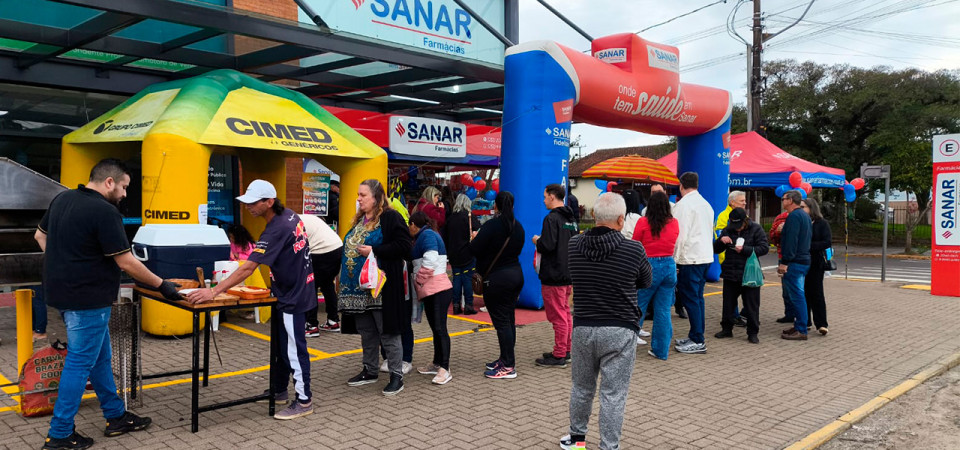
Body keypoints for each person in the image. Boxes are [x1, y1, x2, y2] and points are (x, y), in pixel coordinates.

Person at [35, 158, 173, 449]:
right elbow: (125, 261)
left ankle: (116, 415)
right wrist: (162, 285)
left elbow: (40, 235)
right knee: (80, 362)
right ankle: (59, 434)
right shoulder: (104, 211)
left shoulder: (63, 199)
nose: (124, 194)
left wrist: (65, 263)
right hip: (88, 298)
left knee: (100, 357)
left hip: (63, 294)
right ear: (109, 182)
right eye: (124, 187)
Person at [187, 180, 316, 420]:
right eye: (246, 201)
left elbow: (247, 268)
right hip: (291, 289)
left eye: (253, 202)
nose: (248, 206)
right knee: (281, 347)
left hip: (293, 295)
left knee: (294, 349)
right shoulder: (289, 215)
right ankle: (279, 390)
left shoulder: (276, 228)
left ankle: (304, 400)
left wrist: (213, 292)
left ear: (269, 202)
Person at [559, 192, 652, 450]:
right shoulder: (633, 249)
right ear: (621, 220)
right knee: (613, 394)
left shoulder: (574, 245)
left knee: (581, 387)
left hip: (584, 326)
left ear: (594, 217)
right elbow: (645, 281)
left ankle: (577, 441)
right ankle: (608, 447)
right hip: (620, 329)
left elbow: (572, 273)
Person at [337, 179, 413, 395]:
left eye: (363, 195)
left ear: (377, 197)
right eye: (358, 195)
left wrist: (374, 250)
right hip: (358, 291)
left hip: (381, 289)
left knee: (387, 332)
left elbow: (404, 246)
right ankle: (370, 370)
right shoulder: (361, 220)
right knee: (367, 332)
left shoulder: (390, 217)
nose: (358, 199)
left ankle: (396, 376)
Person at [470, 191, 525, 379]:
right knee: (508, 319)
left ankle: (509, 365)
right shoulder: (518, 227)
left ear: (495, 206)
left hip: (497, 279)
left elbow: (474, 249)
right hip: (515, 275)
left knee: (502, 323)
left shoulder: (492, 226)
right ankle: (505, 358)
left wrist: (474, 239)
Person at [533, 184, 578, 368]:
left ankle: (559, 354)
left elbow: (548, 245)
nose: (543, 200)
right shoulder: (571, 219)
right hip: (568, 273)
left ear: (552, 196)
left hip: (553, 274)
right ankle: (565, 349)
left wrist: (537, 241)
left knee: (558, 316)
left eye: (545, 196)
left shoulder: (551, 219)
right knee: (565, 313)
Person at [408, 211, 454, 385]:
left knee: (440, 328)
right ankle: (437, 363)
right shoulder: (428, 234)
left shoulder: (426, 235)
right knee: (436, 328)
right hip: (433, 290)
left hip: (438, 290)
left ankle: (445, 368)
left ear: (413, 224)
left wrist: (418, 281)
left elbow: (430, 260)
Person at [632, 191, 679, 360]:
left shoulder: (643, 222)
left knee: (638, 307)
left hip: (647, 265)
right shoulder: (674, 223)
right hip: (668, 265)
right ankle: (661, 350)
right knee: (663, 310)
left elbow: (636, 244)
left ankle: (627, 346)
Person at [671, 172, 715, 354]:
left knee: (691, 300)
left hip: (690, 258)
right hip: (705, 256)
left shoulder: (683, 206)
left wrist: (674, 260)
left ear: (681, 186)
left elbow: (679, 236)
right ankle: (696, 335)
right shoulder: (706, 205)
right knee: (697, 299)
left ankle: (698, 339)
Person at [712, 207, 769, 343]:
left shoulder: (756, 229)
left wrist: (745, 250)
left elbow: (764, 248)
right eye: (734, 225)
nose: (736, 229)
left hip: (749, 274)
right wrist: (721, 241)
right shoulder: (728, 229)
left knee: (752, 305)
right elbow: (716, 250)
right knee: (728, 303)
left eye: (739, 225)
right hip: (731, 272)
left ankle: (752, 332)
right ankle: (726, 329)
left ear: (745, 221)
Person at [300, 213, 344, 336]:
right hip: (337, 247)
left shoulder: (289, 224)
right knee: (327, 284)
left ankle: (311, 325)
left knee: (310, 285)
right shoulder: (303, 217)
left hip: (322, 251)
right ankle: (333, 321)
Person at [777, 190, 812, 341]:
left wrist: (785, 262)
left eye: (784, 198)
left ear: (790, 200)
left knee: (797, 296)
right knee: (798, 295)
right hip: (803, 259)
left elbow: (791, 241)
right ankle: (799, 325)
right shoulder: (804, 215)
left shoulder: (794, 217)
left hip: (795, 262)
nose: (782, 201)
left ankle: (801, 329)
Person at [715, 191, 748, 328]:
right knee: (731, 293)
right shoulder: (724, 216)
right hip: (729, 260)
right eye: (742, 201)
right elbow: (722, 238)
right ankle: (733, 316)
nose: (745, 203)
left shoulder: (743, 215)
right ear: (732, 202)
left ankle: (737, 315)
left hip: (742, 261)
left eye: (745, 200)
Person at [444, 193, 479, 315]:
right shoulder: (469, 217)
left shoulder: (450, 219)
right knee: (468, 279)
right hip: (467, 253)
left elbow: (446, 236)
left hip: (453, 255)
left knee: (457, 279)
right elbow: (477, 230)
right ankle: (469, 305)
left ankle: (456, 305)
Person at [802, 198, 831, 336]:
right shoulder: (801, 222)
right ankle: (805, 321)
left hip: (816, 262)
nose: (800, 209)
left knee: (816, 292)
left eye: (803, 207)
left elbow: (827, 242)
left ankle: (821, 323)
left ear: (811, 208)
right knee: (803, 292)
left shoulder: (822, 223)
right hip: (802, 261)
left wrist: (809, 247)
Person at [769, 210, 794, 324]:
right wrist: (778, 232)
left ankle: (803, 317)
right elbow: (772, 236)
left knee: (799, 289)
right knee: (786, 288)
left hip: (799, 258)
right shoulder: (780, 217)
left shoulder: (803, 216)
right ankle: (789, 314)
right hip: (783, 256)